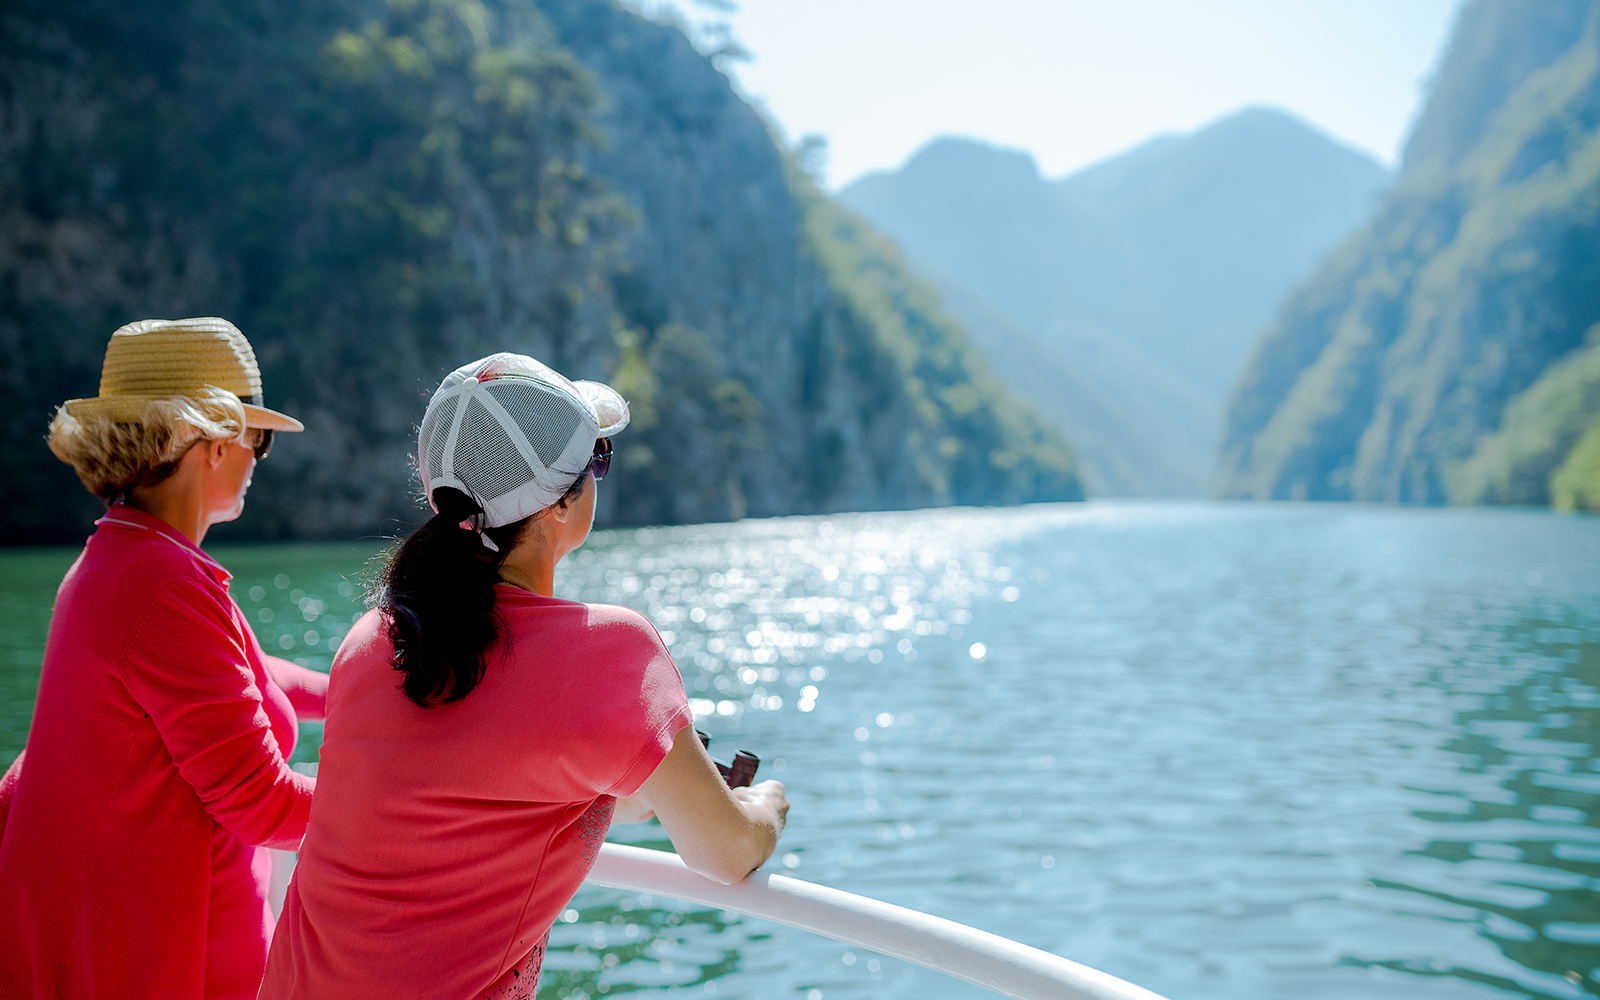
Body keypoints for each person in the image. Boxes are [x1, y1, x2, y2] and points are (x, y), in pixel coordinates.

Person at [259, 352, 789, 999]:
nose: (600, 474)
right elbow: (727, 853)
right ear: (563, 502)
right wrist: (760, 811)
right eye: (597, 458)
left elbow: (478, 802)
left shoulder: (375, 641)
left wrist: (653, 797)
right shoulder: (611, 652)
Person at [0, 317, 328, 998]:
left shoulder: (125, 557)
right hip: (181, 967)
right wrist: (412, 808)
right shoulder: (164, 584)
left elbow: (260, 681)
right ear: (210, 442)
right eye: (257, 439)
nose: (260, 458)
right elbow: (261, 803)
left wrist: (392, 685)